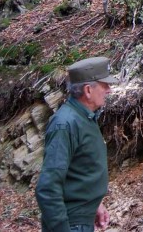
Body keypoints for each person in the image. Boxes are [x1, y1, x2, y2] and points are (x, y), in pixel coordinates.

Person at [36, 56, 118, 232]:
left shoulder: (84, 118)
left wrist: (94, 205)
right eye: (105, 85)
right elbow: (48, 188)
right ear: (88, 90)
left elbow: (79, 171)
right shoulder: (65, 124)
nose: (109, 90)